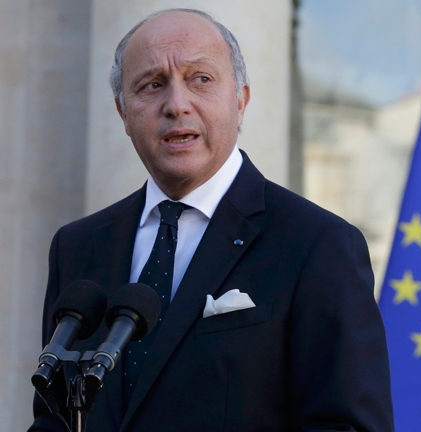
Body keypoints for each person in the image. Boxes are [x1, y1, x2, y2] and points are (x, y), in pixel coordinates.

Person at [29, 8, 393, 432]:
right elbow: (53, 417)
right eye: (152, 84)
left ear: (240, 101)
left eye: (200, 79)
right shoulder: (78, 246)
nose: (176, 105)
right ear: (123, 112)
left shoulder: (318, 243)